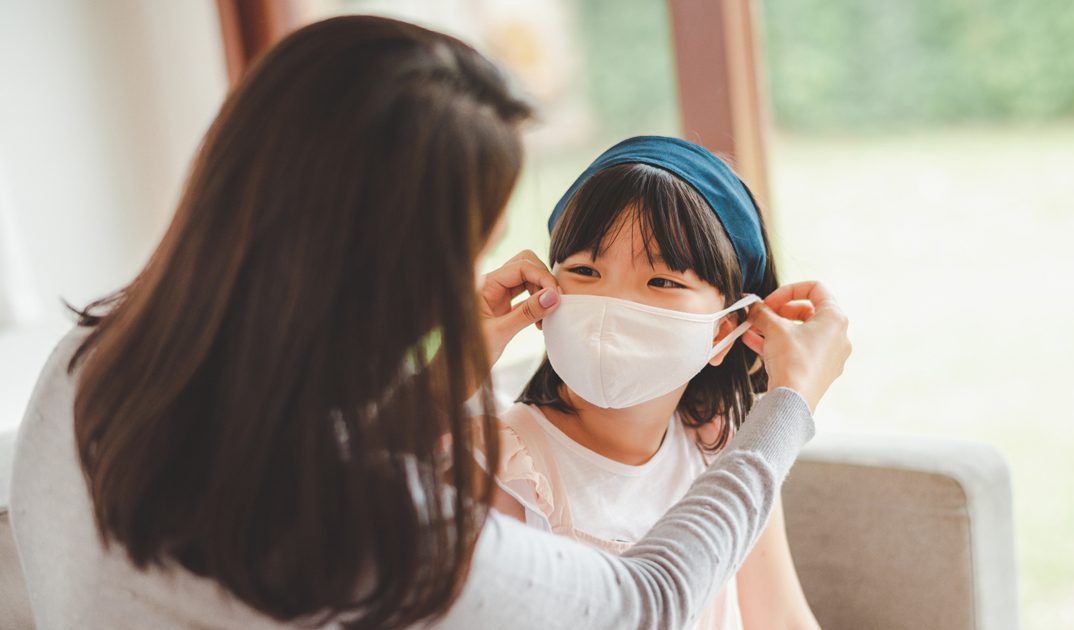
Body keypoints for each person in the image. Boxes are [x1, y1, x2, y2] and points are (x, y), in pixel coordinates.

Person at [8, 15, 851, 630]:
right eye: (456, 256)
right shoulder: (376, 516)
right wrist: (788, 409)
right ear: (388, 271)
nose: (462, 289)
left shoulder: (91, 364)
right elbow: (650, 601)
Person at [489, 136, 821, 630]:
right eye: (584, 270)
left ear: (723, 331)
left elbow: (782, 620)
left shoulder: (726, 445)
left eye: (663, 281)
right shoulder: (505, 464)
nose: (613, 304)